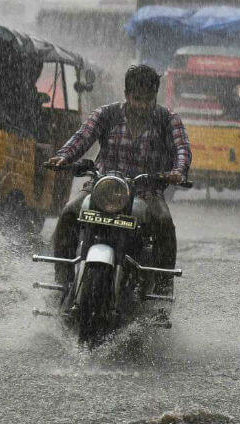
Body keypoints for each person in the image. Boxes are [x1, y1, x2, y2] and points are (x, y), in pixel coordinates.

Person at [48, 65, 191, 306]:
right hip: (101, 187)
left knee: (165, 225)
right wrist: (64, 156)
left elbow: (182, 149)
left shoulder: (168, 120)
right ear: (126, 93)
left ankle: (162, 296)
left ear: (155, 95)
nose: (142, 105)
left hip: (146, 192)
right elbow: (81, 138)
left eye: (148, 99)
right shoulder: (106, 114)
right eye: (137, 98)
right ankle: (62, 282)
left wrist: (178, 171)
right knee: (68, 215)